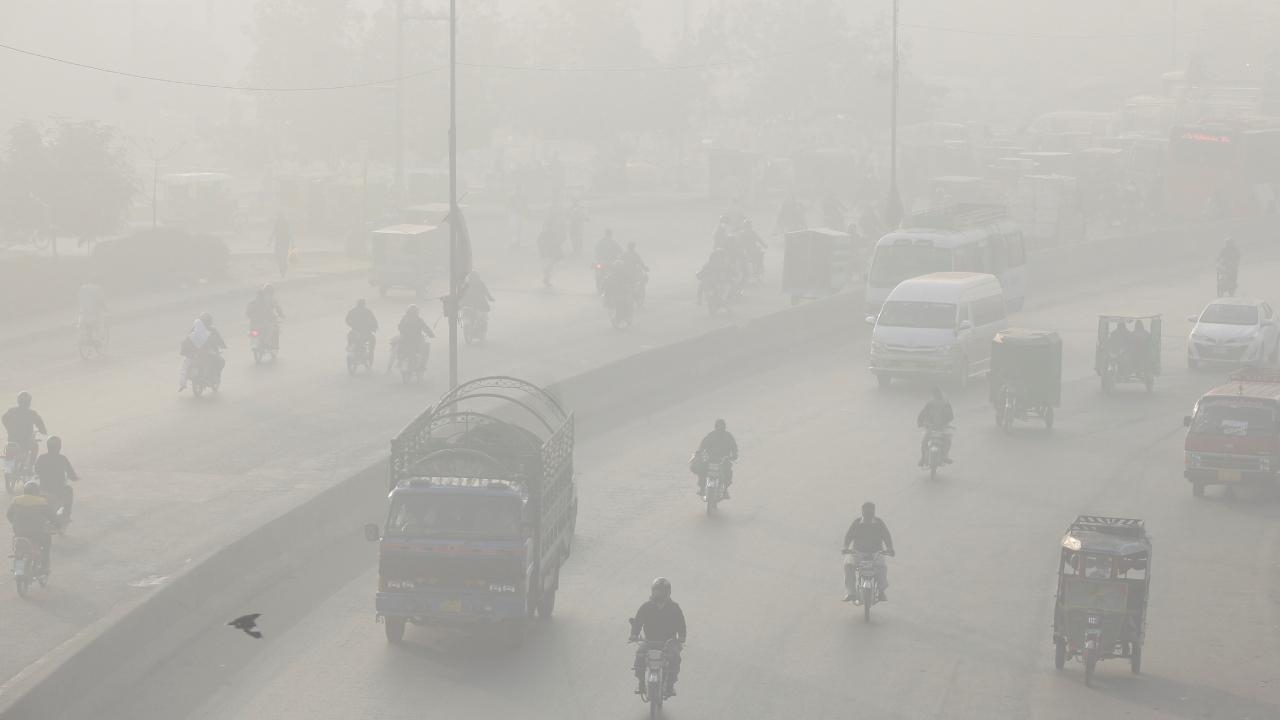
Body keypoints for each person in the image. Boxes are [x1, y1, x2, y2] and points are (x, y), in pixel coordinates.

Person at [629, 577, 687, 697]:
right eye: (657, 591)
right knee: (639, 655)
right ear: (652, 591)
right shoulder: (646, 606)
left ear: (668, 592)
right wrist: (634, 634)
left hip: (669, 643)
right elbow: (638, 621)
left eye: (661, 591)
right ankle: (640, 683)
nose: (659, 594)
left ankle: (670, 686)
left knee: (675, 658)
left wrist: (681, 637)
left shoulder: (675, 608)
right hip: (649, 641)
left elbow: (681, 624)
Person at [843, 502, 895, 601]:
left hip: (876, 553)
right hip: (858, 552)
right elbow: (848, 536)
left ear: (874, 513)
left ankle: (881, 591)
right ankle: (851, 593)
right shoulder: (856, 523)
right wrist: (846, 547)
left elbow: (886, 536)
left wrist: (890, 548)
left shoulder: (879, 523)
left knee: (882, 567)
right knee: (848, 564)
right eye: (866, 513)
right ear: (862, 512)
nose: (868, 515)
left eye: (870, 513)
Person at [7, 480, 57, 572]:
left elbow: (9, 514)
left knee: (19, 550)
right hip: (37, 533)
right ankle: (44, 567)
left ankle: (18, 569)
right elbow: (52, 517)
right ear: (37, 492)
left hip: (19, 531)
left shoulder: (16, 500)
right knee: (46, 544)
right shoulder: (42, 501)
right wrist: (57, 525)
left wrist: (15, 524)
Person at [34, 435, 78, 522]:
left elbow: (36, 470)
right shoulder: (62, 459)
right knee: (69, 490)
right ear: (59, 447)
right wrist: (75, 478)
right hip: (58, 490)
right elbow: (71, 474)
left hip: (44, 489)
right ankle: (66, 514)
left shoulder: (42, 458)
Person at [179, 314, 227, 391]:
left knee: (185, 366)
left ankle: (184, 383)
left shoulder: (195, 329)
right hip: (205, 352)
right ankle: (213, 378)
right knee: (221, 361)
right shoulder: (212, 330)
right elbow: (219, 340)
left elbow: (187, 339)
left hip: (195, 353)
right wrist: (223, 346)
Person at [692, 419, 738, 497]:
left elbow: (734, 447)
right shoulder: (711, 435)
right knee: (702, 470)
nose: (720, 428)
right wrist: (700, 451)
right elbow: (703, 444)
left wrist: (734, 455)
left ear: (724, 427)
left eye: (722, 427)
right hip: (711, 459)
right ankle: (702, 488)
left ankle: (724, 489)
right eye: (718, 427)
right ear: (716, 427)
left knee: (727, 473)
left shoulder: (728, 436)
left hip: (724, 460)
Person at [3, 392, 47, 466]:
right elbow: (40, 423)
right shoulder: (32, 413)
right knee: (35, 447)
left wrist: (8, 428)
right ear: (29, 402)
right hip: (26, 441)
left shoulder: (12, 411)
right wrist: (43, 431)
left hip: (12, 440)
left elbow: (4, 419)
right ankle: (30, 467)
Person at [916, 387, 954, 466]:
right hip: (935, 427)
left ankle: (924, 458)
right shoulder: (941, 403)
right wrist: (921, 422)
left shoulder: (935, 403)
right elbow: (951, 417)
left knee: (925, 442)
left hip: (935, 427)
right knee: (947, 441)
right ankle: (943, 457)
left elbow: (923, 413)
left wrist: (920, 422)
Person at [77, 282, 107, 347]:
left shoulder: (83, 288)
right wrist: (105, 308)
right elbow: (101, 300)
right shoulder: (98, 289)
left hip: (84, 311)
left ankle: (88, 339)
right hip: (94, 312)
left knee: (87, 325)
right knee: (99, 324)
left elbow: (79, 299)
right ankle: (98, 340)